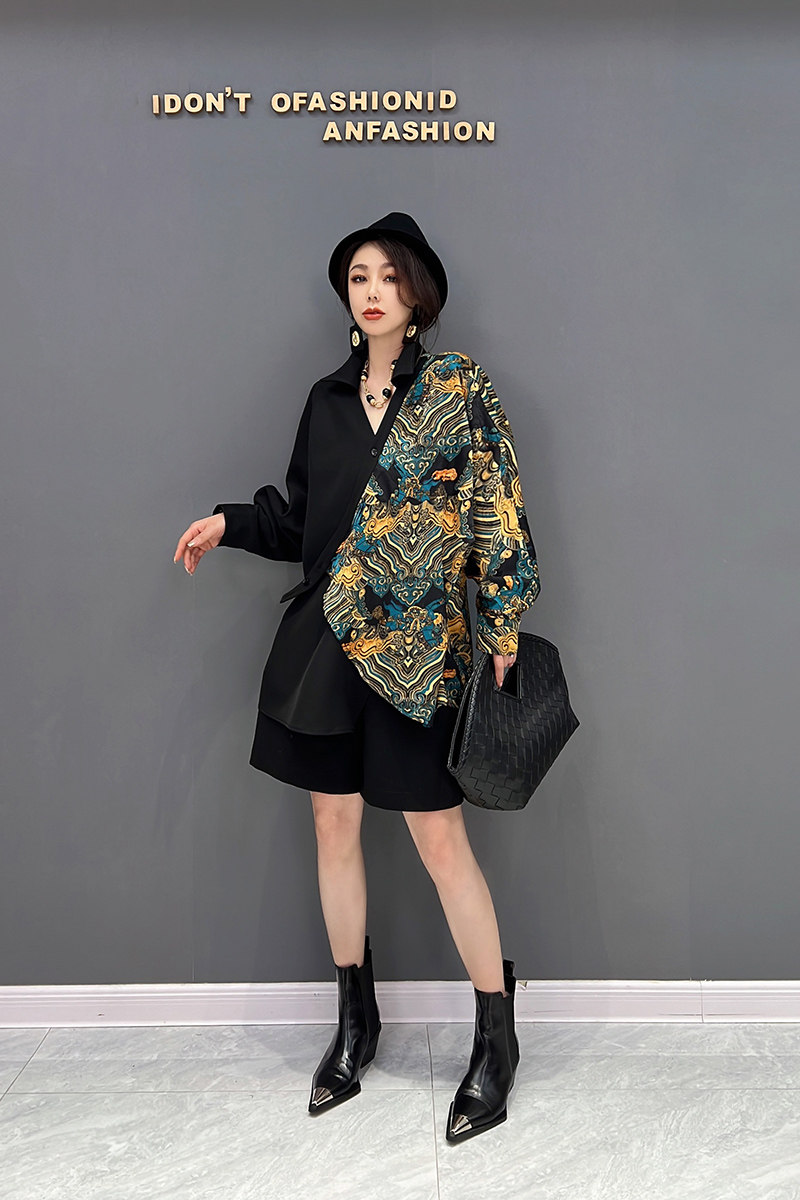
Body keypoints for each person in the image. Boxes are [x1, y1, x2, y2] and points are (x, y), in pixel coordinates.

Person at [173, 212, 541, 1143]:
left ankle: (496, 1037)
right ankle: (355, 1022)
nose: (372, 291)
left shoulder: (455, 389)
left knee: (439, 838)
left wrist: (500, 620)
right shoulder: (327, 399)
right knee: (332, 826)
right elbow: (302, 518)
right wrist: (230, 522)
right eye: (357, 278)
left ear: (417, 294)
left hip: (418, 653)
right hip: (325, 644)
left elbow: (497, 508)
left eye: (388, 276)